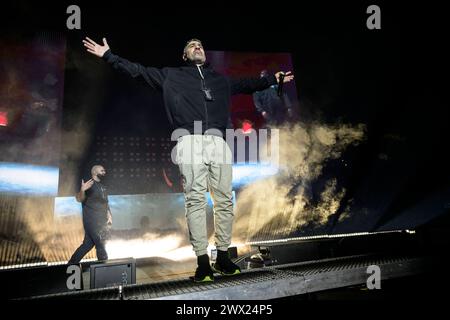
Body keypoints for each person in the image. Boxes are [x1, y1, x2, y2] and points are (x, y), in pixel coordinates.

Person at [82, 37, 294, 282]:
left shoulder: (219, 80)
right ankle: (203, 263)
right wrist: (109, 56)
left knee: (224, 200)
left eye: (201, 45)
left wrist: (272, 79)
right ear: (184, 55)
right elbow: (138, 72)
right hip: (189, 140)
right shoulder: (172, 76)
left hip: (218, 142)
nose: (198, 47)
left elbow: (248, 84)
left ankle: (223, 258)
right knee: (195, 200)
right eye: (192, 45)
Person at [68, 165, 112, 264]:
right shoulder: (89, 184)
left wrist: (109, 214)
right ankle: (104, 268)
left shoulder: (103, 187)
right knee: (101, 244)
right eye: (102, 170)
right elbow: (79, 199)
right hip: (92, 222)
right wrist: (83, 190)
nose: (104, 172)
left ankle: (70, 265)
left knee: (87, 245)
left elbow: (105, 203)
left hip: (101, 222)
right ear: (95, 172)